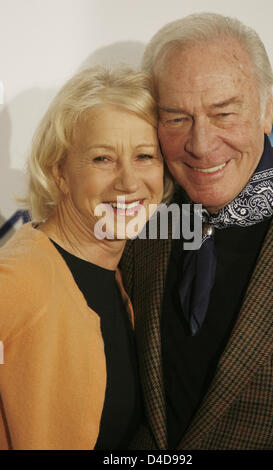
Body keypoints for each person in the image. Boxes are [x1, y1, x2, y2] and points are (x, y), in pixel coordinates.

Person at [120, 13, 273, 450]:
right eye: (177, 118)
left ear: (264, 110)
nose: (200, 144)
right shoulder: (139, 225)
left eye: (224, 113)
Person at [0, 65, 172, 450]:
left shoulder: (124, 272)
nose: (129, 182)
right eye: (102, 159)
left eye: (145, 156)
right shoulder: (20, 278)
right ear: (58, 171)